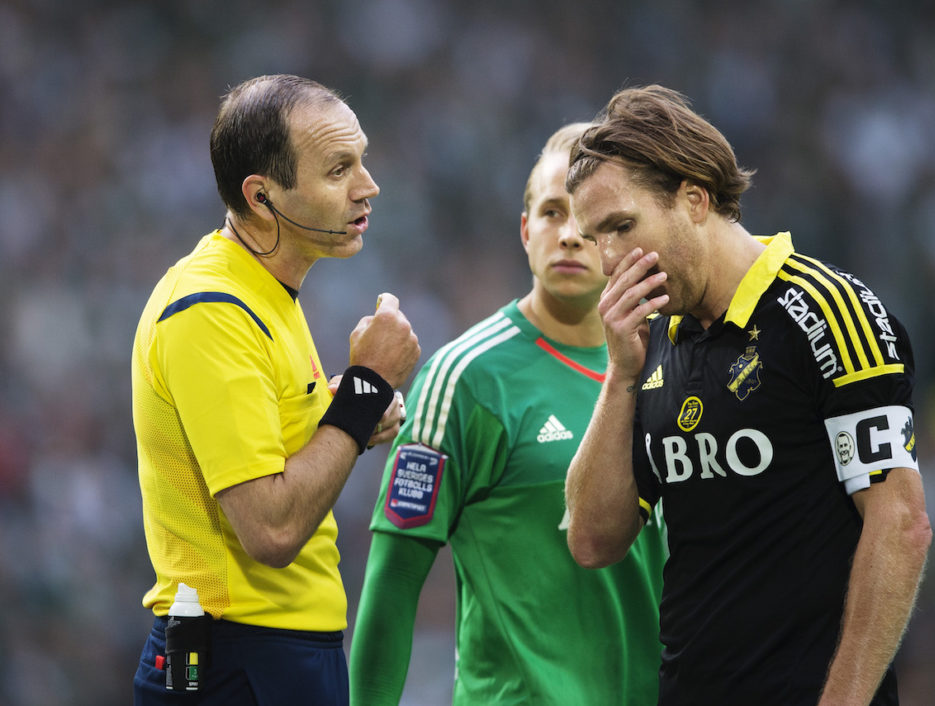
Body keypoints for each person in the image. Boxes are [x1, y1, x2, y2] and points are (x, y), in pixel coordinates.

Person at [563, 85, 932, 705]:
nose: (608, 260)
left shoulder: (828, 312)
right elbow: (593, 540)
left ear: (694, 198)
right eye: (596, 237)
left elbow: (900, 525)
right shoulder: (652, 337)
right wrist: (621, 375)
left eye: (622, 226)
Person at [349, 123, 665, 706]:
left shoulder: (679, 366)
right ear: (524, 230)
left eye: (589, 222)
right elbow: (393, 583)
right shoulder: (465, 379)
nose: (568, 235)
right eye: (550, 213)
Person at [131, 74, 420, 705]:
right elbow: (271, 531)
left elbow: (276, 444)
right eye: (339, 169)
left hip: (270, 647)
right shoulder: (211, 307)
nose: (367, 187)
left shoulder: (262, 292)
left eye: (362, 161)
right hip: (231, 654)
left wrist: (345, 410)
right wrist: (367, 390)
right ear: (262, 198)